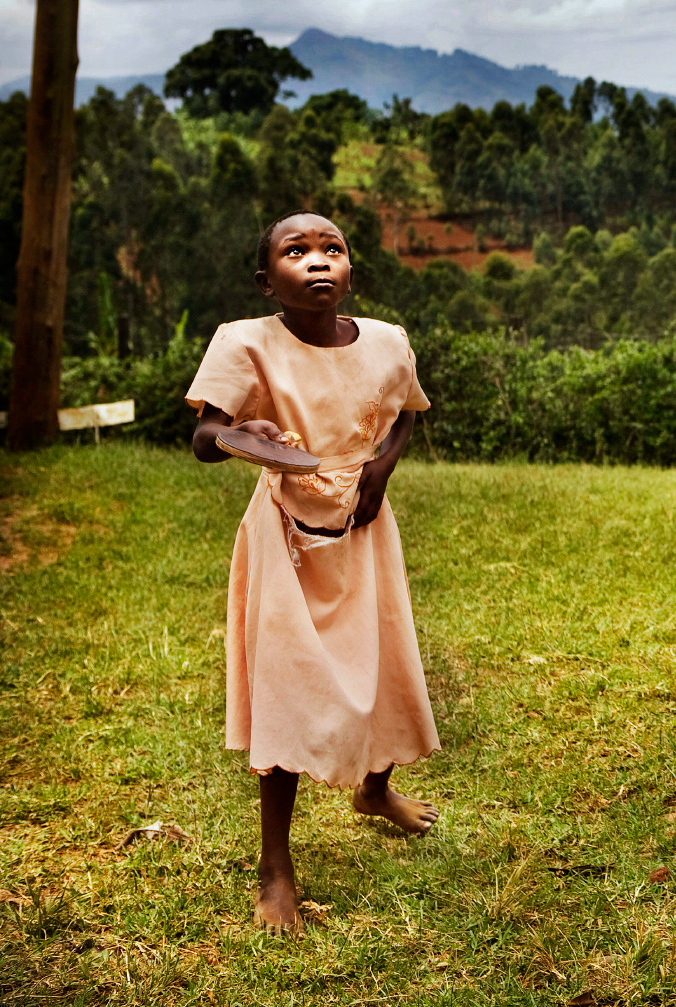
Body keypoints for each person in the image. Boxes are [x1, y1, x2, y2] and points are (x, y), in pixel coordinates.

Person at [185, 212, 440, 935]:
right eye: (296, 251)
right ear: (269, 280)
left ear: (351, 269)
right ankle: (275, 865)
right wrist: (245, 434)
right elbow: (205, 437)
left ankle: (376, 788)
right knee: (289, 687)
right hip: (287, 539)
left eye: (334, 248)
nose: (318, 260)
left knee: (382, 663)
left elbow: (403, 414)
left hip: (363, 529)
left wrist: (381, 473)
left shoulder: (388, 342)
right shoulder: (246, 343)